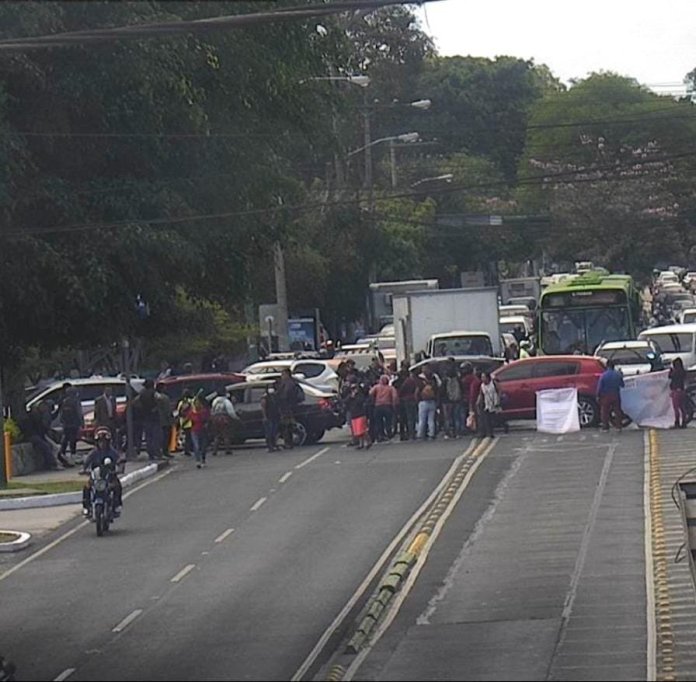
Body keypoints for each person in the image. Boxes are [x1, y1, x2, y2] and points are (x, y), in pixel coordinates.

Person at [80, 427, 123, 518]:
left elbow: (119, 460)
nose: (102, 444)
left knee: (117, 486)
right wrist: (84, 469)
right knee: (86, 487)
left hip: (110, 476)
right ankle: (87, 508)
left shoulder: (112, 452)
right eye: (100, 441)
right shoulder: (94, 453)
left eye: (104, 441)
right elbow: (87, 462)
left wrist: (119, 467)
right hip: (96, 476)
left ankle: (117, 506)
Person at [27, 401, 61, 470]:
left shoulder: (41, 415)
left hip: (40, 435)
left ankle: (57, 462)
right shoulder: (34, 416)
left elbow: (46, 424)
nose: (46, 408)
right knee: (47, 447)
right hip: (34, 435)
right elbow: (40, 428)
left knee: (53, 446)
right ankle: (52, 464)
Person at [134, 379, 162, 462]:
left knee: (148, 436)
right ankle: (156, 453)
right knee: (156, 436)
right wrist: (156, 408)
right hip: (154, 417)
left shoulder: (141, 394)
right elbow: (160, 398)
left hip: (145, 417)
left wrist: (142, 409)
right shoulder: (153, 393)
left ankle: (151, 454)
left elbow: (135, 402)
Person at [276, 369, 304, 449]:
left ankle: (288, 442)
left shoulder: (288, 384)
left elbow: (285, 395)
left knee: (286, 426)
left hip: (287, 408)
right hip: (289, 407)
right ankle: (289, 442)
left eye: (283, 374)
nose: (282, 376)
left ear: (287, 374)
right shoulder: (291, 383)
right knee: (288, 426)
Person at [597, 359, 625, 431]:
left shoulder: (603, 375)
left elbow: (600, 387)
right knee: (617, 411)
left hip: (606, 395)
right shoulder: (617, 374)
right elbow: (622, 385)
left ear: (607, 366)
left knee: (604, 411)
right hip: (615, 394)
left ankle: (605, 427)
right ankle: (619, 426)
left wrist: (598, 395)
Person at [369, 375, 399, 442]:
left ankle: (381, 435)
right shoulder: (391, 388)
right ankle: (389, 433)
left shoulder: (376, 387)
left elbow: (370, 393)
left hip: (378, 406)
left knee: (379, 421)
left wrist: (374, 400)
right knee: (388, 421)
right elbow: (395, 396)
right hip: (387, 406)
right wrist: (394, 405)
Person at [210, 389, 240, 456]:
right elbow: (231, 412)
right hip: (224, 420)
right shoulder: (226, 402)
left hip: (215, 420)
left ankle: (214, 450)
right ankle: (228, 450)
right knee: (226, 435)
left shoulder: (215, 401)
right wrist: (236, 418)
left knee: (217, 436)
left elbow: (212, 410)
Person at [56, 386, 80, 468]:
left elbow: (62, 414)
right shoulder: (75, 401)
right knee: (73, 439)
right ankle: (72, 455)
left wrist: (62, 422)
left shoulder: (64, 401)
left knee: (66, 438)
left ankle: (63, 453)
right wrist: (80, 422)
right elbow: (78, 412)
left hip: (66, 424)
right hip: (74, 423)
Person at [416, 364, 441, 441]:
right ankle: (431, 434)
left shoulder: (419, 379)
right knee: (431, 419)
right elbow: (438, 387)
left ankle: (420, 434)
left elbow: (417, 391)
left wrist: (417, 400)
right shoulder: (433, 378)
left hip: (423, 402)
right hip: (432, 401)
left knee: (422, 419)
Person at [346, 380, 372, 450]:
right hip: (354, 414)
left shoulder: (360, 395)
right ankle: (361, 444)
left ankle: (368, 441)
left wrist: (354, 397)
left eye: (355, 388)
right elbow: (346, 402)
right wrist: (351, 397)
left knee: (362, 430)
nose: (353, 390)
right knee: (357, 431)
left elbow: (360, 402)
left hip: (360, 414)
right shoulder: (350, 396)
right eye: (352, 389)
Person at [442, 363, 463, 439]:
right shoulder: (458, 379)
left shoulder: (445, 381)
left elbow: (441, 391)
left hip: (446, 401)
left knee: (448, 418)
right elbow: (462, 389)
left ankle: (448, 433)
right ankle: (457, 433)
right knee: (457, 417)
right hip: (457, 400)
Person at [478, 372, 501, 438]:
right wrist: (479, 402)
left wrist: (498, 400)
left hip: (495, 403)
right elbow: (481, 394)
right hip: (487, 404)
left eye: (483, 377)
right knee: (487, 419)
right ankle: (489, 433)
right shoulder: (482, 386)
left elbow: (499, 390)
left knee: (494, 419)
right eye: (482, 377)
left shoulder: (493, 383)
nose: (482, 379)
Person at [190, 393, 211, 468]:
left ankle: (203, 459)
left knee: (203, 446)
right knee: (196, 446)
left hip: (203, 430)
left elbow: (207, 419)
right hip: (194, 431)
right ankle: (198, 461)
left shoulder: (204, 411)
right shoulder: (191, 412)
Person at [155, 384, 175, 459]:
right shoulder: (164, 398)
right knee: (166, 437)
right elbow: (168, 410)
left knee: (159, 437)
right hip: (165, 421)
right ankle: (165, 451)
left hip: (157, 420)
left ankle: (161, 451)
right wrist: (171, 419)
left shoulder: (155, 397)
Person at [669, 357, 688, 428]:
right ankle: (684, 422)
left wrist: (671, 370)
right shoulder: (683, 372)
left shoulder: (675, 372)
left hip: (676, 391)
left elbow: (670, 376)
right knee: (682, 407)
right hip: (682, 391)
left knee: (676, 408)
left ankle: (677, 422)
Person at [261, 385, 281, 452]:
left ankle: (274, 445)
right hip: (269, 417)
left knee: (275, 432)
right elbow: (263, 407)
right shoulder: (265, 397)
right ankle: (270, 446)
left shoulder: (275, 396)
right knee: (269, 432)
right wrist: (265, 417)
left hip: (275, 416)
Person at [176, 388, 195, 457]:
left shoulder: (181, 402)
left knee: (186, 436)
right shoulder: (191, 402)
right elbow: (193, 411)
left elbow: (178, 412)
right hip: (190, 421)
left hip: (183, 421)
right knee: (189, 437)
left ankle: (187, 450)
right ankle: (188, 450)